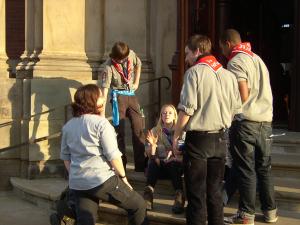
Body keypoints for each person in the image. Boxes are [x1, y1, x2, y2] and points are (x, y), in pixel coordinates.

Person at [173, 34, 241, 225]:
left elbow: (186, 110)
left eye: (187, 54)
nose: (185, 59)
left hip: (198, 140)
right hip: (220, 138)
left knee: (196, 195)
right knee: (215, 193)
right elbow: (236, 108)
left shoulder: (194, 73)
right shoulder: (228, 75)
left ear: (197, 51)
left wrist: (176, 135)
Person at [60, 84, 148, 225]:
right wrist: (124, 178)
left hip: (78, 183)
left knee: (86, 221)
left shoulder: (68, 126)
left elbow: (66, 158)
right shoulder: (102, 124)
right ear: (92, 101)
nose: (103, 98)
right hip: (101, 180)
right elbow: (113, 156)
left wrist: (77, 174)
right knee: (139, 206)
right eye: (100, 96)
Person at [219, 28, 278, 225]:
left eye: (221, 47)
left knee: (246, 169)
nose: (222, 51)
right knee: (264, 168)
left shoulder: (236, 61)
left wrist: (228, 114)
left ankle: (246, 215)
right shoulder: (257, 58)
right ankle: (270, 212)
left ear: (227, 43)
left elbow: (242, 93)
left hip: (246, 123)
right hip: (265, 122)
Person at [99, 41, 145, 172]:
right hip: (118, 97)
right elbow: (105, 89)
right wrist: (102, 114)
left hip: (132, 95)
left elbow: (139, 64)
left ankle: (140, 165)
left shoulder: (130, 54)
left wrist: (136, 82)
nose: (124, 61)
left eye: (125, 58)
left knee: (138, 127)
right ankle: (121, 166)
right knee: (120, 132)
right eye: (121, 60)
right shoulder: (108, 67)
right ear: (115, 57)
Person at [143, 104, 185, 214]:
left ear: (175, 116)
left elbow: (185, 152)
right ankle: (148, 196)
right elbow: (149, 154)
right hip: (159, 165)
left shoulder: (181, 132)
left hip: (175, 167)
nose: (167, 115)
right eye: (164, 113)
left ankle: (179, 198)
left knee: (174, 164)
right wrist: (153, 147)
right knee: (152, 163)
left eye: (170, 113)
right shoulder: (155, 131)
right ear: (161, 116)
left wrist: (175, 156)